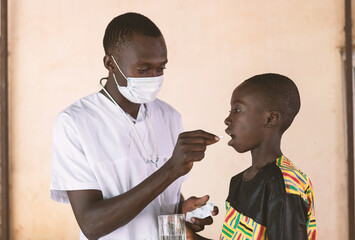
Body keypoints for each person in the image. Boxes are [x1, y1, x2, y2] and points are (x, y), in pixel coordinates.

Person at [50, 12, 219, 240]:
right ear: (110, 63)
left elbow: (162, 201)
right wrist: (170, 170)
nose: (154, 77)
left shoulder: (169, 116)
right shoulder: (75, 123)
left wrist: (181, 212)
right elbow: (91, 224)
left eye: (161, 69)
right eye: (143, 70)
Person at [187, 73, 317, 240]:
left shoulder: (286, 183)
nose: (227, 120)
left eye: (237, 110)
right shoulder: (239, 181)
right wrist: (189, 236)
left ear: (270, 119)